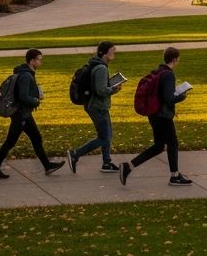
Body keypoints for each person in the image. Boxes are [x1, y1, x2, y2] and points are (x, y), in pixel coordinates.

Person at [119, 46, 192, 187]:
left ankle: (128, 167)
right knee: (173, 143)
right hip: (163, 116)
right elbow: (168, 98)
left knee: (159, 146)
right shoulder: (169, 75)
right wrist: (181, 97)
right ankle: (175, 176)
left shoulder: (158, 71)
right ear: (175, 59)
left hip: (153, 114)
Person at [0, 48, 65, 179]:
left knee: (36, 138)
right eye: (39, 60)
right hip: (21, 114)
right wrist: (35, 101)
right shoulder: (26, 76)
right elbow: (23, 97)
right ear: (32, 61)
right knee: (11, 142)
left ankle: (47, 166)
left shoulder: (25, 73)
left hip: (23, 114)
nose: (41, 62)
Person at [67, 41, 124, 174]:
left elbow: (98, 85)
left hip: (96, 105)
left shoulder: (96, 64)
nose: (114, 53)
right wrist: (114, 89)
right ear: (104, 53)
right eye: (112, 51)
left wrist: (109, 83)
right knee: (104, 137)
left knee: (107, 135)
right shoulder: (101, 68)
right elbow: (101, 91)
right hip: (97, 106)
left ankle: (107, 162)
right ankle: (75, 154)